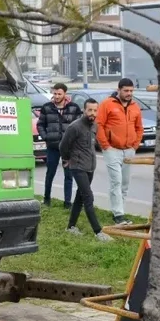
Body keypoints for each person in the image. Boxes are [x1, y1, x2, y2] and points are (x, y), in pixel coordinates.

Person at [59, 99, 112, 241]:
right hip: (77, 166)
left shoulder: (95, 126)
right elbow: (63, 145)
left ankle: (70, 226)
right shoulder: (74, 127)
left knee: (80, 197)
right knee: (88, 196)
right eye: (90, 110)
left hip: (90, 166)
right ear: (84, 110)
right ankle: (98, 232)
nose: (92, 113)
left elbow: (92, 146)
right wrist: (66, 159)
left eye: (95, 110)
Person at [96, 77, 144, 225]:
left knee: (124, 183)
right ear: (119, 90)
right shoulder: (107, 104)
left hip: (129, 150)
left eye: (131, 91)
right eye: (126, 90)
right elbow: (99, 125)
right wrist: (105, 145)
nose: (129, 93)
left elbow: (139, 127)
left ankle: (120, 210)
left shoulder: (135, 106)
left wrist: (135, 145)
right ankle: (118, 215)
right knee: (116, 181)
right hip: (112, 150)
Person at [36, 83, 82, 206]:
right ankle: (47, 199)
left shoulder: (74, 108)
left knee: (69, 175)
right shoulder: (47, 107)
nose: (56, 96)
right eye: (55, 93)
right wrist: (45, 137)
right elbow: (40, 124)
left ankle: (67, 202)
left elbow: (80, 126)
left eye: (59, 94)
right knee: (50, 173)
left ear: (65, 94)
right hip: (53, 146)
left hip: (68, 148)